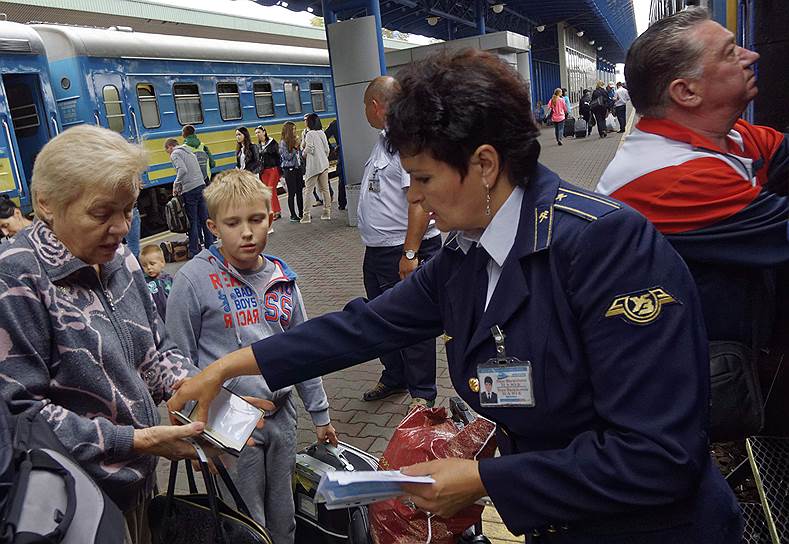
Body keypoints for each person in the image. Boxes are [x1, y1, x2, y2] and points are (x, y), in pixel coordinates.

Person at [168, 49, 743, 543]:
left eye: (423, 179)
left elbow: (657, 457)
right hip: (564, 521)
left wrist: (484, 480)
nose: (415, 198)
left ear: (485, 165)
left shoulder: (606, 247)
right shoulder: (466, 257)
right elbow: (363, 327)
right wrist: (227, 368)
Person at [0, 125, 213, 544]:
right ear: (46, 203)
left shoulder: (121, 260)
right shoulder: (15, 278)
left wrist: (200, 388)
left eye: (128, 210)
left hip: (135, 483)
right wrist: (135, 440)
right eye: (102, 214)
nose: (120, 228)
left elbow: (153, 352)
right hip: (70, 502)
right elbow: (19, 414)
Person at [596, 8, 789, 430]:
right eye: (729, 53)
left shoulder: (727, 136)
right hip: (689, 380)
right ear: (686, 93)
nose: (751, 56)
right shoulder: (669, 177)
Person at [165, 169, 337, 543]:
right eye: (233, 222)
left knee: (284, 514)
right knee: (245, 519)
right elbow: (177, 358)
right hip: (231, 428)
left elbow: (304, 350)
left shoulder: (282, 278)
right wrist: (206, 426)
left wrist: (320, 414)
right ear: (212, 226)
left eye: (256, 219)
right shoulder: (192, 280)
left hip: (281, 416)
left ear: (271, 219)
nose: (246, 232)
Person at [357, 75, 442, 408]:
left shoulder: (408, 142)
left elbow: (418, 200)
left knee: (412, 321)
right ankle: (395, 377)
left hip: (403, 250)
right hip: (379, 250)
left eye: (365, 105)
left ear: (376, 106)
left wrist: (410, 252)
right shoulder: (385, 140)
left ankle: (422, 395)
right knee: (381, 320)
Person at [166, 138, 215, 258]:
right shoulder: (188, 151)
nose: (168, 154)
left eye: (167, 151)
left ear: (170, 147)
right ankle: (210, 247)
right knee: (204, 219)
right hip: (200, 185)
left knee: (192, 222)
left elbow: (182, 170)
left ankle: (194, 251)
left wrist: (176, 183)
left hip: (190, 190)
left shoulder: (175, 154)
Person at [301, 113, 331, 223]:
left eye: (306, 120)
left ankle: (306, 215)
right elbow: (327, 149)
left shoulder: (309, 134)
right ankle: (326, 212)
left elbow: (309, 148)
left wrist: (303, 154)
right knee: (325, 189)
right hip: (324, 165)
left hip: (313, 167)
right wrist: (323, 158)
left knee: (308, 191)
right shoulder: (322, 133)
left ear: (310, 122)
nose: (305, 122)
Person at [255, 125, 282, 230]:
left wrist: (280, 170)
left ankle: (276, 211)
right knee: (269, 192)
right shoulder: (258, 146)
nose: (257, 134)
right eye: (256, 133)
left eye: (259, 132)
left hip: (273, 169)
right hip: (264, 171)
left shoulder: (272, 143)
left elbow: (278, 156)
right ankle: (276, 211)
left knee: (271, 190)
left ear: (264, 132)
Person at [140, 244, 172, 322]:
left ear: (162, 262)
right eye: (144, 265)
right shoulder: (144, 282)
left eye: (152, 264)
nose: (148, 267)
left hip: (171, 315)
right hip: (156, 319)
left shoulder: (169, 279)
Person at [280, 121, 304, 222]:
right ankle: (293, 215)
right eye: (293, 129)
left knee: (299, 192)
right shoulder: (283, 142)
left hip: (297, 168)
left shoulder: (296, 140)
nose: (295, 131)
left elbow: (299, 155)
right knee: (292, 193)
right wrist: (295, 147)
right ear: (289, 130)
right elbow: (287, 157)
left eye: (295, 129)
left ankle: (302, 213)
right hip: (289, 169)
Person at [325, 118, 347, 210]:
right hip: (352, 149)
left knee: (342, 179)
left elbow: (325, 135)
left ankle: (342, 203)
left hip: (341, 153)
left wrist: (332, 148)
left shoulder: (334, 124)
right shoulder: (349, 120)